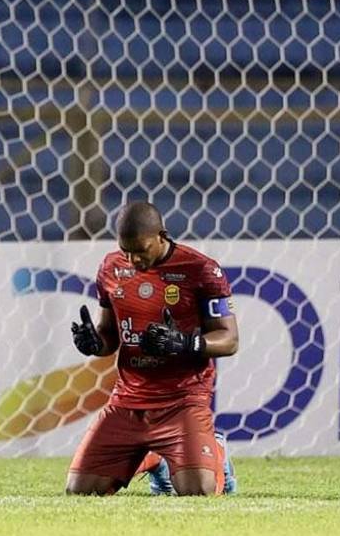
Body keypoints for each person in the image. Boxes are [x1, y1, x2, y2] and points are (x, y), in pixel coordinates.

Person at [66, 201, 239, 496]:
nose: (133, 259)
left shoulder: (201, 269)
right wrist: (95, 343)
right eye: (126, 251)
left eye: (141, 250)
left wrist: (185, 343)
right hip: (127, 403)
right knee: (80, 492)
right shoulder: (110, 267)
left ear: (162, 236)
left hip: (182, 401)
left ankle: (215, 453)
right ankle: (155, 456)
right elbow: (109, 335)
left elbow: (229, 338)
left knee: (199, 493)